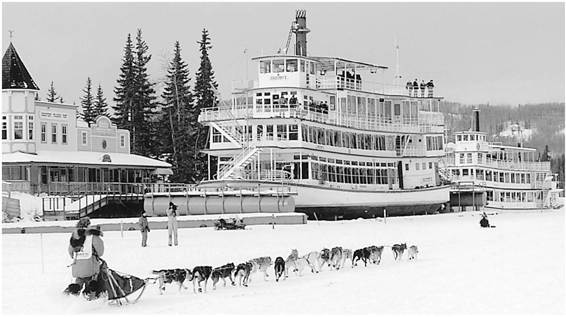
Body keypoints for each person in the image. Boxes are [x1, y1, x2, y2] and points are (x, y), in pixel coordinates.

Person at [64, 217, 105, 297]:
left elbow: (70, 252)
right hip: (90, 265)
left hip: (77, 267)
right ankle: (90, 293)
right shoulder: (93, 236)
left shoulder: (74, 237)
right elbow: (100, 252)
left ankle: (74, 290)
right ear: (88, 225)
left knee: (80, 279)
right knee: (92, 280)